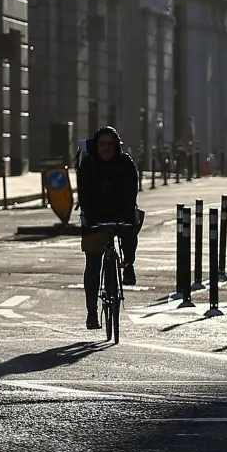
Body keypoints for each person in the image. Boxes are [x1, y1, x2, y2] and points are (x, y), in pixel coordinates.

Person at [76, 125, 141, 329]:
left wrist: (125, 215)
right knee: (93, 263)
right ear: (96, 146)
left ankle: (128, 264)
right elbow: (84, 195)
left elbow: (131, 192)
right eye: (102, 144)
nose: (106, 149)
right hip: (95, 216)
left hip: (120, 212)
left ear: (117, 146)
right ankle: (92, 313)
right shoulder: (88, 164)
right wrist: (90, 218)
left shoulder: (125, 163)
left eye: (110, 145)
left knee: (131, 229)